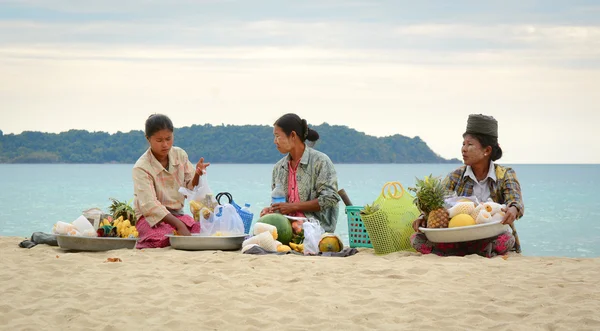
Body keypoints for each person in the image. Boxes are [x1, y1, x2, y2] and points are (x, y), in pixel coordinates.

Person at [411, 114, 524, 257]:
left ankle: (460, 252)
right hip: (458, 237)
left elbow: (515, 200)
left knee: (507, 239)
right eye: (463, 144)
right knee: (416, 240)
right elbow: (438, 204)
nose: (464, 149)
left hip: (489, 236)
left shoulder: (505, 174)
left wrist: (513, 209)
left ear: (487, 150)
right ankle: (477, 252)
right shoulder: (455, 176)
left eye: (470, 145)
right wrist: (423, 216)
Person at [132, 114, 210, 248]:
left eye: (168, 139)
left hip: (178, 215)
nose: (165, 144)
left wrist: (197, 175)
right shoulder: (141, 167)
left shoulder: (180, 155)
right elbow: (150, 205)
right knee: (163, 237)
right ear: (148, 139)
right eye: (159, 140)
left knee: (203, 231)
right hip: (151, 219)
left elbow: (189, 189)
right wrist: (178, 225)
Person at [260, 113, 341, 232]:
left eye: (277, 136)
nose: (275, 141)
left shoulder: (321, 161)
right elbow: (281, 206)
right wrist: (271, 211)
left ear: (292, 135)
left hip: (315, 228)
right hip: (287, 227)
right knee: (259, 227)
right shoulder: (279, 168)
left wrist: (293, 206)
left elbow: (330, 198)